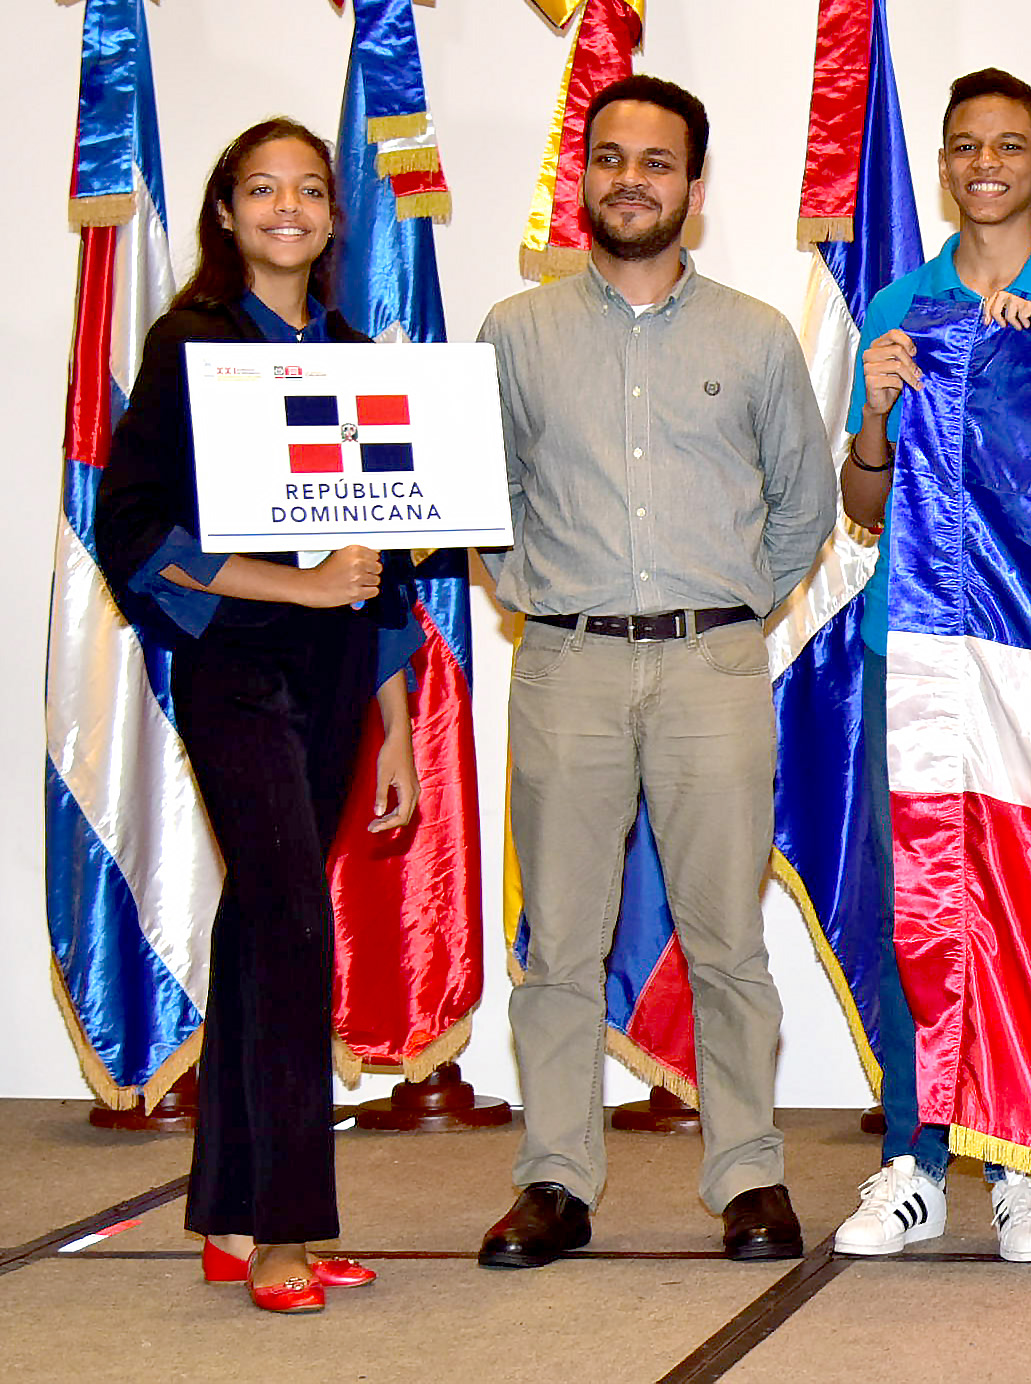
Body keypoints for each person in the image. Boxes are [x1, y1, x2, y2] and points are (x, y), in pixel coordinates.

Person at [475, 75, 837, 1269]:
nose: (633, 179)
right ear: (585, 174)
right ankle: (557, 1181)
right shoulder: (514, 333)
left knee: (726, 936)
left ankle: (748, 1176)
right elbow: (489, 503)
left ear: (694, 183)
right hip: (567, 665)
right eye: (612, 157)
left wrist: (729, 610)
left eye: (659, 162)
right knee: (559, 944)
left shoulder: (755, 335)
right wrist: (545, 593)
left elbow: (804, 508)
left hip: (714, 669)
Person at [95, 117, 421, 1315]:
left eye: (313, 189)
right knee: (289, 923)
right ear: (226, 216)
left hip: (339, 673)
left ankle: (227, 1216)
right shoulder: (189, 345)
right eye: (261, 189)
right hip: (235, 668)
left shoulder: (351, 350)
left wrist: (391, 720)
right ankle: (287, 1226)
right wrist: (291, 583)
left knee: (259, 926)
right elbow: (132, 533)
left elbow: (376, 561)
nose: (289, 205)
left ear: (335, 218)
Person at [834, 68, 1031, 1264]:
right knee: (921, 906)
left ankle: (1025, 1165)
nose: (987, 164)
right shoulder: (899, 303)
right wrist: (873, 408)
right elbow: (864, 505)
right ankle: (916, 1157)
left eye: (1010, 145)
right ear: (945, 165)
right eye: (966, 146)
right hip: (911, 652)